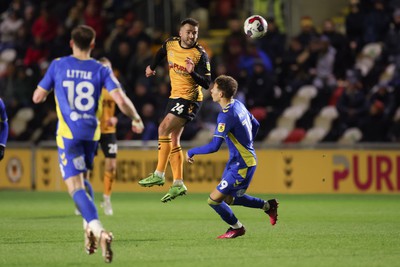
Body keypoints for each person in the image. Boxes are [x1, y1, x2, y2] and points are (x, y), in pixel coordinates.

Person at [32, 25, 144, 263]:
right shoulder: (100, 68)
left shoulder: (58, 65)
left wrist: (53, 90)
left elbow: (37, 96)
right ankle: (88, 232)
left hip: (68, 135)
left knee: (75, 187)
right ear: (92, 45)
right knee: (83, 181)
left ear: (71, 43)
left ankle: (99, 231)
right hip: (92, 135)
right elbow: (121, 100)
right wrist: (136, 118)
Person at [186, 75, 278, 239]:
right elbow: (255, 124)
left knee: (213, 200)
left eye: (214, 88)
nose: (211, 90)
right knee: (229, 199)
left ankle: (237, 228)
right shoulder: (238, 105)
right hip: (238, 161)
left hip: (242, 165)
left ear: (220, 94)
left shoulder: (226, 115)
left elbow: (214, 146)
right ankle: (267, 206)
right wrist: (246, 143)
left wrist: (192, 151)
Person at [139, 18, 211, 202]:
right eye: (188, 31)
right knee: (173, 137)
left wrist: (192, 72)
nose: (191, 35)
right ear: (180, 32)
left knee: (162, 128)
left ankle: (159, 173)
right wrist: (151, 67)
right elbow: (160, 53)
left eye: (195, 32)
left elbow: (207, 83)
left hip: (190, 99)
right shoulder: (170, 44)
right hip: (175, 96)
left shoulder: (200, 54)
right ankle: (178, 183)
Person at [98, 57, 118, 216]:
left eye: (109, 68)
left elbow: (125, 107)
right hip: (92, 131)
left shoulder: (115, 88)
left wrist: (117, 119)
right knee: (85, 168)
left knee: (111, 165)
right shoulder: (92, 86)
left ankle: (106, 199)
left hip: (109, 132)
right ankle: (84, 198)